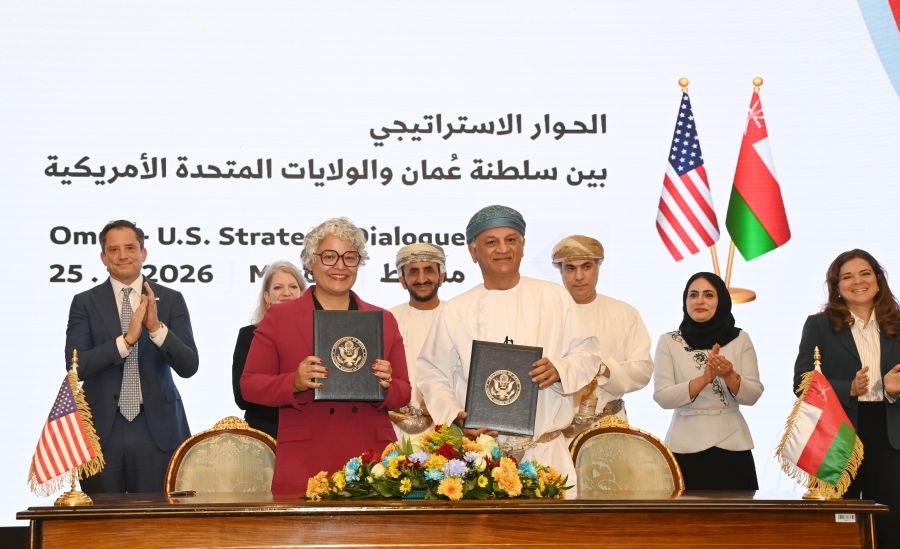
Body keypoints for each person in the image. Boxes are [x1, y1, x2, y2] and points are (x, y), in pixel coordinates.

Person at [417, 205, 601, 496]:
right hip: (479, 464)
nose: (503, 249)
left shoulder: (555, 298)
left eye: (511, 240)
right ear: (473, 252)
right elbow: (431, 373)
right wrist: (455, 416)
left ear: (523, 246)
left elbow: (588, 354)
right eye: (491, 242)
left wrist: (560, 370)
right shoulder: (455, 311)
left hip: (546, 456)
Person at [240, 217, 410, 494]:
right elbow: (250, 385)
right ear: (310, 262)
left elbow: (403, 392)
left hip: (372, 460)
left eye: (350, 257)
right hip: (306, 458)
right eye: (329, 256)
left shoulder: (383, 319)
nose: (340, 266)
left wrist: (386, 385)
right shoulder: (280, 318)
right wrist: (293, 382)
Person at [64, 220, 199, 493]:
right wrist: (125, 342)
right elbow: (76, 366)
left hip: (158, 429)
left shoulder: (170, 299)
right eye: (113, 250)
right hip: (102, 430)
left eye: (130, 248)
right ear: (103, 257)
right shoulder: (85, 302)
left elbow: (189, 366)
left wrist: (156, 329)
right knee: (102, 517)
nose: (122, 255)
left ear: (143, 253)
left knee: (157, 516)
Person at [794, 249, 900, 547]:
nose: (858, 282)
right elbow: (801, 382)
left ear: (878, 280)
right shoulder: (819, 325)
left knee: (892, 523)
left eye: (865, 273)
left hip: (890, 437)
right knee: (839, 524)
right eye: (847, 277)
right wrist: (848, 389)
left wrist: (893, 391)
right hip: (837, 434)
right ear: (837, 286)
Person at [653, 272, 763, 490]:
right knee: (685, 513)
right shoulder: (669, 341)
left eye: (709, 295)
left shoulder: (740, 339)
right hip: (683, 446)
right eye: (693, 295)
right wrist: (704, 379)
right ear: (685, 301)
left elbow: (753, 395)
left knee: (739, 513)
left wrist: (729, 375)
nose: (700, 301)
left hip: (733, 445)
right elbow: (663, 397)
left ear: (721, 300)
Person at [550, 235, 652, 437]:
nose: (579, 276)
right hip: (556, 435)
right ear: (560, 271)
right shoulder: (546, 315)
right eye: (570, 268)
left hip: (609, 428)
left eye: (587, 267)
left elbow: (643, 371)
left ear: (598, 267)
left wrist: (603, 369)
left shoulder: (624, 313)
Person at [232, 261, 307, 439]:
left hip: (306, 432)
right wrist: (290, 383)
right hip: (263, 436)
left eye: (293, 287)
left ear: (302, 294)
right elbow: (242, 398)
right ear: (267, 296)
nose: (286, 293)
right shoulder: (249, 335)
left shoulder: (315, 334)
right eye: (278, 287)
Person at [388, 243, 447, 439]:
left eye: (428, 270)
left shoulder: (457, 316)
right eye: (413, 272)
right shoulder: (388, 319)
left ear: (442, 276)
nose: (422, 279)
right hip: (397, 429)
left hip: (449, 428)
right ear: (402, 280)